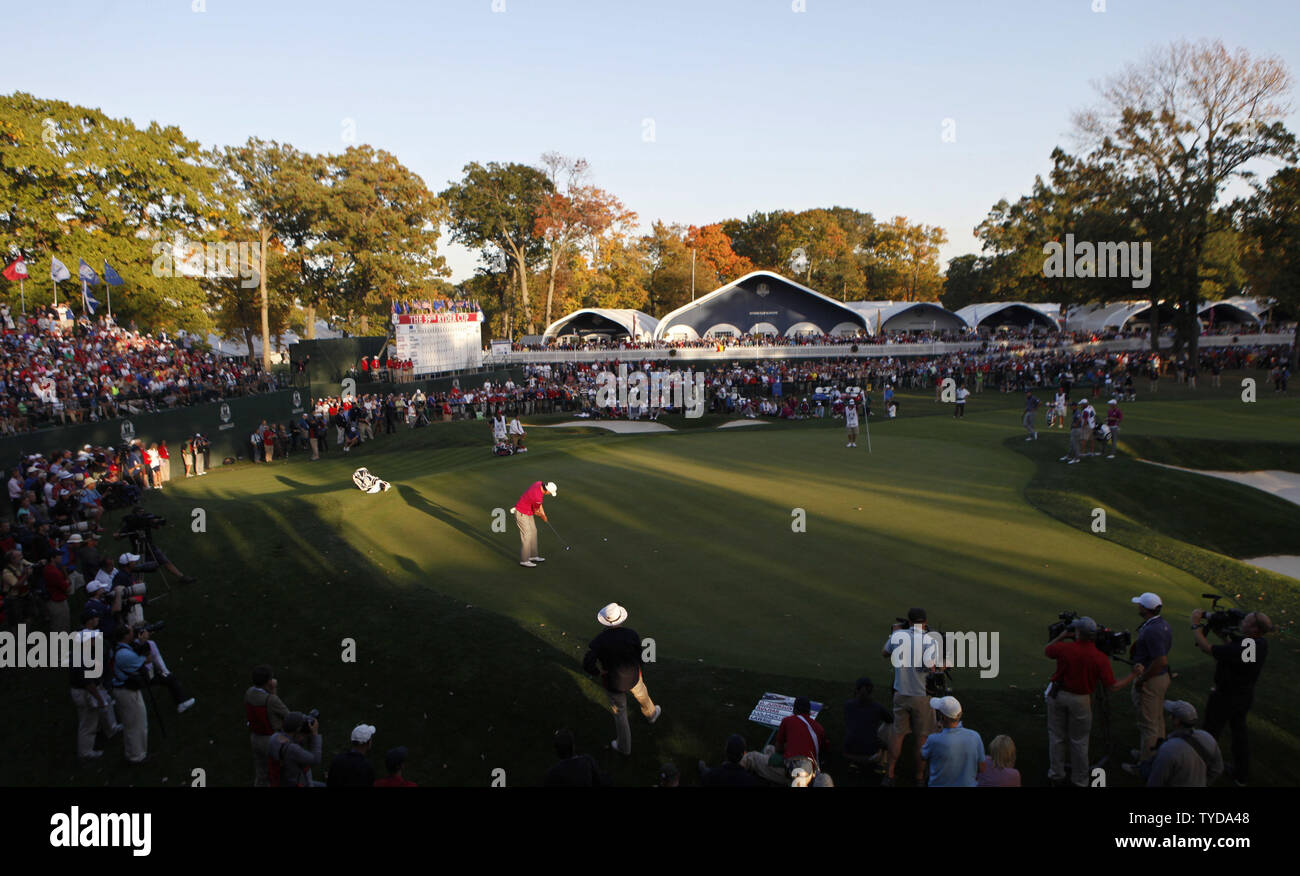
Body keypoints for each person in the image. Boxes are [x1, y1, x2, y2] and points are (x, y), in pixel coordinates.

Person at [1044, 617, 1138, 787]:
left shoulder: (1065, 648)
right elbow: (1113, 686)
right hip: (1081, 700)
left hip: (1058, 696)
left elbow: (1048, 649)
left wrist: (1064, 635)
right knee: (1079, 741)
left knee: (1056, 737)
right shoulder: (1099, 658)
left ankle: (1056, 775)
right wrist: (1133, 675)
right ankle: (1080, 780)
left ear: (1077, 632)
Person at [1191, 609, 1272, 786]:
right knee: (1239, 735)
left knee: (1210, 733)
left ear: (1254, 628)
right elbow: (1234, 651)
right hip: (1243, 697)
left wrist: (1195, 625)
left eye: (1246, 621)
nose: (1242, 622)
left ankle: (1199, 770)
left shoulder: (1247, 645)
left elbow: (1207, 648)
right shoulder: (1258, 644)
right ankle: (1241, 774)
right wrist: (1222, 634)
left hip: (1226, 697)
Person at [582, 602, 661, 755]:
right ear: (621, 619)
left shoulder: (599, 641)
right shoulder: (631, 634)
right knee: (642, 694)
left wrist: (598, 672)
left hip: (613, 682)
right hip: (633, 675)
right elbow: (641, 655)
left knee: (620, 713)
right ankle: (651, 715)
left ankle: (624, 747)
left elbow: (588, 663)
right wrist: (639, 668)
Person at [881, 607, 944, 786]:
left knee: (898, 734)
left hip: (901, 692)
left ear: (908, 621)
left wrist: (894, 634)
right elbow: (933, 667)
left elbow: (884, 653)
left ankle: (890, 774)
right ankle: (919, 777)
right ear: (924, 623)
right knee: (922, 738)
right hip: (921, 695)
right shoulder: (929, 641)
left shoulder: (898, 636)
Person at [1122, 592, 1173, 775]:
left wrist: (1142, 679)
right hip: (1159, 677)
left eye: (1139, 605)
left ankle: (1145, 766)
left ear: (1145, 608)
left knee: (1149, 724)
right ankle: (1154, 754)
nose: (1138, 607)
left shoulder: (1153, 630)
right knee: (1157, 720)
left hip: (1152, 679)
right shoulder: (1161, 624)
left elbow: (1161, 660)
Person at [1147, 701, 1224, 787]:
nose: (1169, 717)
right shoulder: (1208, 737)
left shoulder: (1168, 749)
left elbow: (1155, 782)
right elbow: (1218, 769)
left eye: (1172, 715)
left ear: (1177, 721)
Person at [919, 696, 984, 787]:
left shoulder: (933, 739)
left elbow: (922, 756)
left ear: (942, 717)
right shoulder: (975, 736)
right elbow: (982, 768)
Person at [109, 625, 149, 764]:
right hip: (126, 692)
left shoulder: (119, 649)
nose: (134, 632)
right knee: (135, 723)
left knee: (132, 723)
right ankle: (136, 756)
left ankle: (133, 752)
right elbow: (145, 661)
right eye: (131, 631)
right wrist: (145, 645)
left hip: (123, 690)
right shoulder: (124, 654)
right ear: (126, 636)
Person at [245, 664, 290, 787]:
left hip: (255, 738)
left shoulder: (249, 693)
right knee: (279, 773)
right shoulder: (271, 700)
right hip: (271, 740)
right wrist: (274, 691)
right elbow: (288, 715)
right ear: (268, 682)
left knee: (261, 773)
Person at [842, 676, 893, 773]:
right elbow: (891, 720)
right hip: (871, 754)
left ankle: (855, 763)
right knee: (889, 726)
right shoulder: (877, 707)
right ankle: (881, 764)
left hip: (848, 752)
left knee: (857, 731)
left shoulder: (847, 705)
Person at [774, 696, 828, 780]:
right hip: (813, 771)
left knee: (753, 756)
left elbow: (778, 749)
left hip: (795, 770)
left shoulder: (787, 720)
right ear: (809, 711)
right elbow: (824, 749)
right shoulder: (819, 727)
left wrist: (788, 747)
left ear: (795, 709)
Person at [268, 712, 324, 787]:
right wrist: (315, 734)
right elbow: (316, 759)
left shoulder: (274, 737)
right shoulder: (293, 749)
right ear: (298, 729)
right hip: (296, 783)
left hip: (281, 780)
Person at [511, 480, 556, 568]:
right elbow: (536, 511)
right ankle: (524, 560)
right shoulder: (537, 497)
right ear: (546, 490)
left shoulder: (539, 484)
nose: (550, 494)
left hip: (528, 512)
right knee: (527, 535)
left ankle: (533, 556)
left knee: (534, 532)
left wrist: (544, 514)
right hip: (521, 513)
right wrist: (543, 516)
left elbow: (539, 505)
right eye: (550, 492)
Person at [543, 729, 610, 787]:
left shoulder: (552, 774)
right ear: (573, 746)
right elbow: (602, 782)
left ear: (556, 750)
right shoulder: (587, 761)